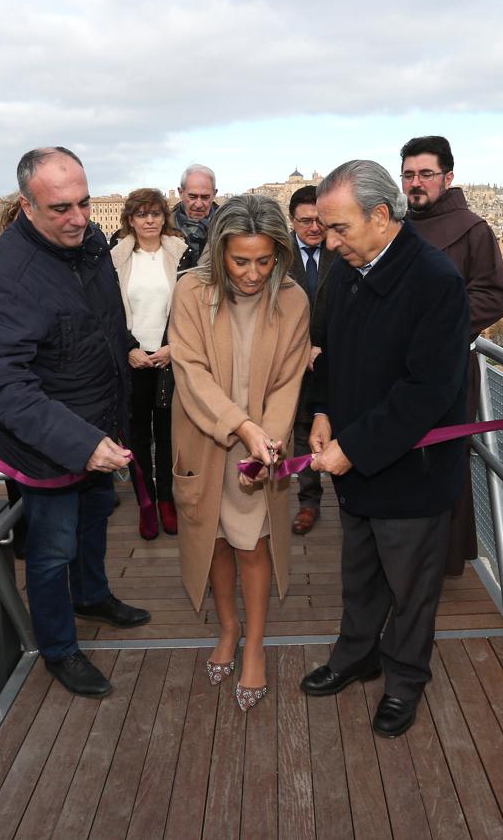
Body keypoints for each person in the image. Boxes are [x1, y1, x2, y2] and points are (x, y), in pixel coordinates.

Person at [0, 147, 151, 698]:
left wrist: (130, 351)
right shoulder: (5, 276)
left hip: (100, 426)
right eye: (61, 208)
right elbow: (3, 387)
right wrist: (80, 442)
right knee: (52, 550)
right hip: (48, 445)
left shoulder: (90, 243)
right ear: (26, 206)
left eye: (85, 203)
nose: (78, 218)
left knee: (95, 519)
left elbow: (101, 321)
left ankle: (92, 597)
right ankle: (58, 648)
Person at [301, 161, 469, 739]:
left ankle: (404, 681)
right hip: (356, 463)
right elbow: (328, 351)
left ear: (380, 216)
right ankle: (355, 657)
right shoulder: (347, 268)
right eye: (325, 228)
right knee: (360, 575)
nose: (330, 240)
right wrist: (322, 411)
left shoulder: (435, 281)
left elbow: (429, 391)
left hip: (411, 473)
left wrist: (355, 446)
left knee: (411, 588)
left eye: (340, 227)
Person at [168, 193, 310, 712]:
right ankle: (228, 627)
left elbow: (290, 379)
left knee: (255, 543)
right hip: (205, 439)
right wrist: (242, 427)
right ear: (220, 252)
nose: (252, 274)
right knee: (215, 540)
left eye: (264, 260)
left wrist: (264, 439)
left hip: (261, 448)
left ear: (280, 255)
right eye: (241, 260)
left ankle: (255, 643)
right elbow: (190, 371)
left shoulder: (293, 299)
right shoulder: (190, 290)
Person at [400, 135, 503, 577]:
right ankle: (403, 552)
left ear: (448, 177)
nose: (416, 183)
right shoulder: (397, 225)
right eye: (408, 174)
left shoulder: (473, 229)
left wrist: (433, 327)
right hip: (397, 369)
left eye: (425, 174)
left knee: (445, 461)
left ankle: (441, 560)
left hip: (447, 370)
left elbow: (492, 297)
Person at [109, 188, 187, 539]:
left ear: (164, 217)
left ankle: (167, 500)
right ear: (130, 220)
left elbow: (194, 309)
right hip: (135, 359)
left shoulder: (182, 254)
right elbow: (108, 313)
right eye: (142, 214)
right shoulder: (117, 259)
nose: (150, 220)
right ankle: (145, 502)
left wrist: (174, 346)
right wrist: (129, 349)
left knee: (169, 434)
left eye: (155, 213)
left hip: (171, 358)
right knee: (137, 435)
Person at [287, 184, 336, 535]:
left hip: (338, 355)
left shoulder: (342, 250)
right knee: (303, 429)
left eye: (320, 220)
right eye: (305, 221)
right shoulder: (278, 256)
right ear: (292, 221)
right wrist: (302, 345)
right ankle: (309, 503)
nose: (314, 228)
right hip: (293, 358)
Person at [173, 164, 218, 264]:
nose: (198, 204)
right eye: (192, 197)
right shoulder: (161, 227)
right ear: (181, 193)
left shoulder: (228, 227)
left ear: (214, 194)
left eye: (205, 197)